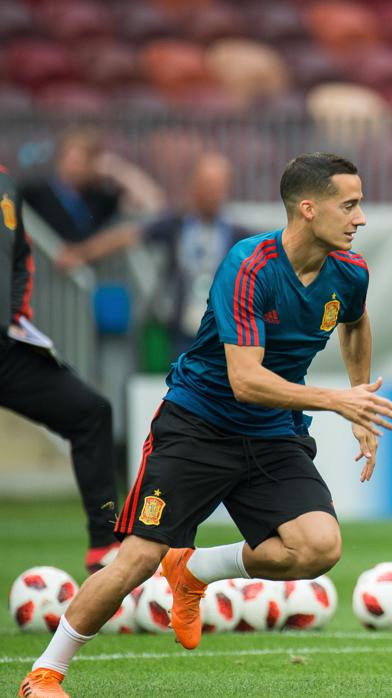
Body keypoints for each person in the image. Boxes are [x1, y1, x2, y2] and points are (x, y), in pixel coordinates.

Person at [18, 153, 392, 698]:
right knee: (135, 560)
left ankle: (195, 569)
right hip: (198, 424)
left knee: (318, 548)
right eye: (350, 204)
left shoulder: (351, 271)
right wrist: (337, 400)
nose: (360, 217)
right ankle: (45, 673)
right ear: (309, 208)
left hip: (271, 432)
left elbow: (356, 322)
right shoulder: (249, 266)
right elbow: (246, 380)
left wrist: (361, 397)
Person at [0, 163, 119, 575]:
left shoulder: (5, 185)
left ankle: (105, 546)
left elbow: (21, 260)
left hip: (6, 348)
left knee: (91, 412)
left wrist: (12, 314)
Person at [56, 152, 252, 357]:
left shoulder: (238, 235)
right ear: (194, 186)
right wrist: (81, 253)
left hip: (224, 329)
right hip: (182, 331)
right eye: (207, 185)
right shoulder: (177, 224)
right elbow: (127, 236)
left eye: (217, 186)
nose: (212, 193)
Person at [19, 129, 164, 245]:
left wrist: (115, 168)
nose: (73, 168)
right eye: (69, 160)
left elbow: (155, 203)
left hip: (89, 277)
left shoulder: (98, 199)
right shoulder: (37, 192)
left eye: (80, 162)